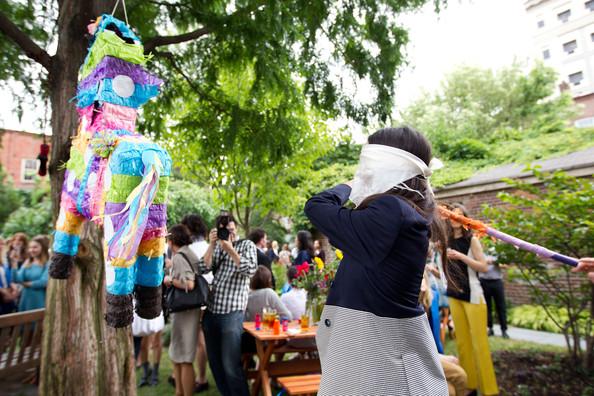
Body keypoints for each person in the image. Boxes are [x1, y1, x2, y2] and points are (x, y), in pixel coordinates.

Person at [304, 127, 448, 395]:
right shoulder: (402, 213)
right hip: (370, 350)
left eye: (370, 164)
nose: (364, 170)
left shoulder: (392, 210)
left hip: (378, 361)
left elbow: (317, 205)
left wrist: (351, 184)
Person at [199, 213, 257, 396]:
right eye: (225, 231)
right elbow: (201, 268)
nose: (229, 234)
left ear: (236, 229)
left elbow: (250, 270)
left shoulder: (246, 245)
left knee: (231, 365)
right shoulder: (216, 247)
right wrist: (211, 244)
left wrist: (230, 249)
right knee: (215, 364)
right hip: (211, 312)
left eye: (231, 230)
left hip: (232, 313)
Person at [444, 203, 499, 396]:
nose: (456, 218)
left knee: (480, 344)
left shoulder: (472, 240)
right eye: (453, 214)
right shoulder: (446, 239)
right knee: (463, 344)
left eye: (460, 215)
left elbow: (483, 267)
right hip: (453, 294)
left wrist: (461, 256)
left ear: (464, 218)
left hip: (473, 295)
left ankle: (490, 390)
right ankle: (470, 386)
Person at [164, 225, 201, 396]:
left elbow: (189, 283)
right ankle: (179, 392)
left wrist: (170, 280)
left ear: (171, 241)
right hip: (189, 310)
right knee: (178, 355)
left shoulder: (179, 256)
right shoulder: (187, 252)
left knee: (185, 358)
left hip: (184, 312)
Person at [180, 214, 211, 393]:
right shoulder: (208, 246)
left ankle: (200, 377)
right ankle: (201, 376)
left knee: (198, 340)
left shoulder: (188, 249)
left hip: (194, 298)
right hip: (209, 297)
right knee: (202, 340)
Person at [14, 235, 49, 311]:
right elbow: (17, 279)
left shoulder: (48, 263)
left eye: (35, 247)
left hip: (39, 300)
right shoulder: (28, 262)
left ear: (43, 247)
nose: (31, 250)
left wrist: (26, 284)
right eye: (30, 247)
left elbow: (44, 282)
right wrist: (14, 264)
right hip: (25, 299)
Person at [479, 250, 509, 338]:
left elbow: (506, 265)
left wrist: (495, 262)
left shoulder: (499, 250)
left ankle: (504, 330)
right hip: (484, 281)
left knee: (501, 306)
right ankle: (489, 329)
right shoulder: (480, 250)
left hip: (497, 282)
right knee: (486, 307)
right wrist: (484, 262)